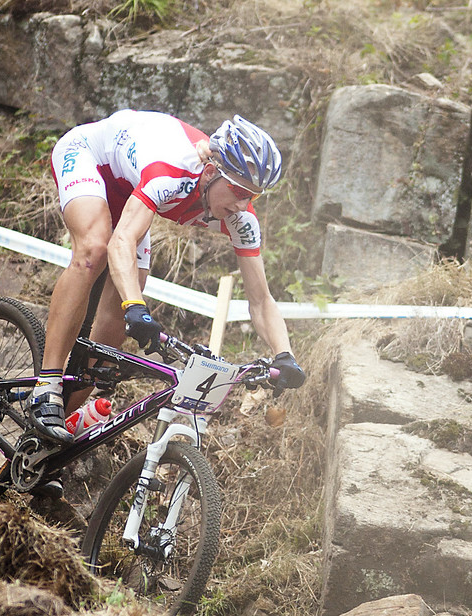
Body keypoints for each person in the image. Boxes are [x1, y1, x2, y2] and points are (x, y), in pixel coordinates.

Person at [29, 110, 307, 444]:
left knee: (119, 313)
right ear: (209, 173)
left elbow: (261, 300)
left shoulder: (241, 218)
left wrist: (284, 353)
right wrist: (137, 305)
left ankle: (47, 442)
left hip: (133, 189)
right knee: (94, 250)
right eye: (236, 191)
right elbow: (121, 241)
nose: (242, 204)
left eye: (253, 196)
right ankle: (47, 385)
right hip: (90, 157)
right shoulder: (171, 174)